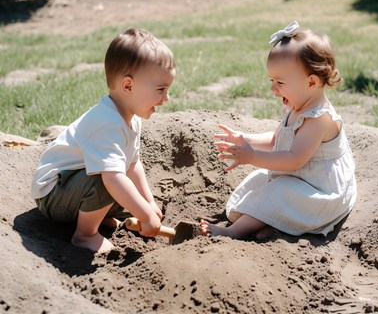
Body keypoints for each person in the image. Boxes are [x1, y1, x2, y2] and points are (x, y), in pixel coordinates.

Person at [200, 21, 357, 240]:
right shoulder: (296, 105)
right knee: (259, 180)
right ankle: (275, 224)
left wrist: (252, 156)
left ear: (311, 82)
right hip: (299, 181)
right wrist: (246, 139)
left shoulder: (319, 118)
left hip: (321, 194)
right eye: (272, 80)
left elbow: (294, 160)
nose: (273, 89)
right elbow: (276, 140)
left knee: (278, 192)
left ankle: (232, 232)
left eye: (280, 82)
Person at [31, 28, 176, 253]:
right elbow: (113, 178)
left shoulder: (131, 118)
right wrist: (145, 215)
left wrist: (149, 204)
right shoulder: (106, 124)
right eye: (161, 89)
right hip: (53, 193)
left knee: (128, 192)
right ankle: (85, 235)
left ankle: (95, 216)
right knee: (111, 181)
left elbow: (133, 164)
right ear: (128, 86)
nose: (167, 98)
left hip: (75, 186)